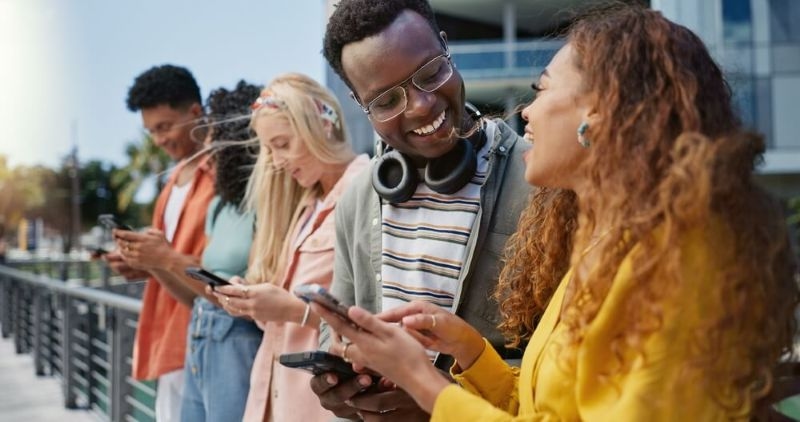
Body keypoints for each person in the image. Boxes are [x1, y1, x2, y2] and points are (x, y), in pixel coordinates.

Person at [315, 5, 800, 421]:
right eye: (387, 99)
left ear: (600, 116)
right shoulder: (604, 245)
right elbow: (548, 406)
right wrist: (472, 352)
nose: (527, 111)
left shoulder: (668, 263)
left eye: (543, 90)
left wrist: (426, 386)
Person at [312, 0, 531, 420]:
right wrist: (340, 378)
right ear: (361, 103)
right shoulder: (358, 198)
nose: (421, 105)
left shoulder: (539, 181)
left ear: (446, 48)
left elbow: (564, 358)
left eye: (431, 73)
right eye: (385, 100)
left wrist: (440, 397)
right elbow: (333, 329)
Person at [211, 73, 369, 422]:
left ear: (322, 126)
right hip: (274, 401)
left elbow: (375, 315)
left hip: (320, 406)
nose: (277, 161)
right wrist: (257, 303)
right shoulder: (306, 208)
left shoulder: (366, 192)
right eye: (269, 149)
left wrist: (291, 309)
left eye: (282, 144)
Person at [108, 64, 215, 421]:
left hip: (208, 338)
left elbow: (223, 269)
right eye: (151, 132)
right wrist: (141, 263)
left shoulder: (223, 174)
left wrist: (163, 258)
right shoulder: (172, 183)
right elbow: (170, 259)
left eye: (165, 127)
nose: (159, 140)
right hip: (171, 338)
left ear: (196, 113)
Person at [178, 80, 264, 422]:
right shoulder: (218, 206)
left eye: (214, 138)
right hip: (201, 326)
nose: (207, 149)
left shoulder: (266, 206)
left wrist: (168, 260)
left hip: (237, 336)